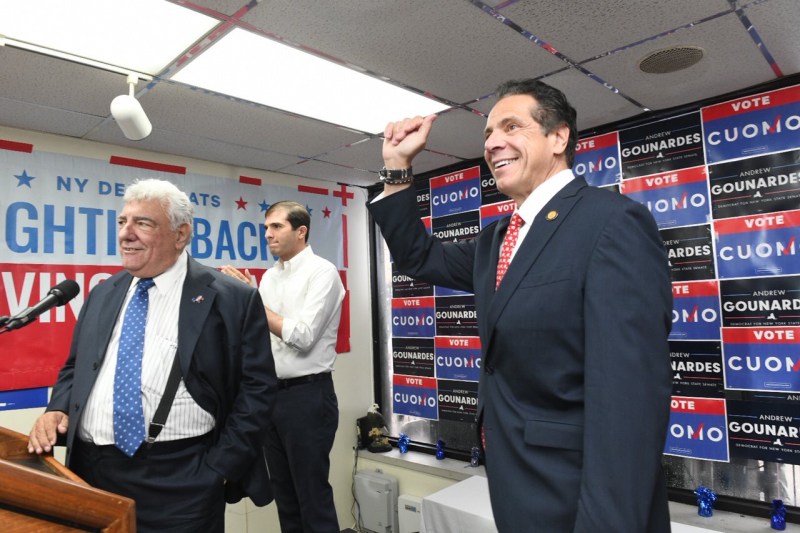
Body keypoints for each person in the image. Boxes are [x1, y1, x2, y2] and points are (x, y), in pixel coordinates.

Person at [368, 79, 673, 532]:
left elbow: (629, 405)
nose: (493, 143)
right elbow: (419, 255)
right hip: (519, 488)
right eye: (488, 134)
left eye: (511, 126)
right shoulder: (498, 238)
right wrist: (396, 167)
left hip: (578, 501)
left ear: (558, 137)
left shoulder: (610, 223)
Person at [28, 178, 277, 533]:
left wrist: (220, 468)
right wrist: (57, 408)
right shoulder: (103, 293)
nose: (126, 234)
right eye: (122, 222)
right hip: (92, 472)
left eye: (142, 223)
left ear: (181, 235)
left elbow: (258, 389)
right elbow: (75, 368)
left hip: (181, 479)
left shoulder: (230, 297)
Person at [221, 200, 345, 533]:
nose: (268, 235)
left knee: (312, 498)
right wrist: (247, 305)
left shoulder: (323, 272)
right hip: (270, 397)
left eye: (276, 227)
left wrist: (254, 303)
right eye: (266, 228)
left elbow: (302, 336)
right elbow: (260, 335)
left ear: (301, 231)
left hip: (307, 397)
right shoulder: (270, 278)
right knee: (285, 498)